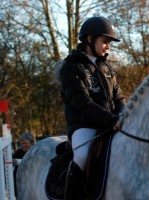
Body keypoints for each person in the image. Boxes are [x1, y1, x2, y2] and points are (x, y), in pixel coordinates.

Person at [56, 16, 125, 199]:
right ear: (89, 39)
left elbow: (118, 97)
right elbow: (82, 102)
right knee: (82, 156)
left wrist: (123, 116)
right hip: (84, 126)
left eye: (109, 42)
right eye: (105, 41)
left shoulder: (107, 68)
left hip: (111, 124)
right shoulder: (71, 68)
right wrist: (110, 119)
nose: (108, 46)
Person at [12, 132, 35, 197]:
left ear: (31, 143)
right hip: (19, 184)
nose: (23, 145)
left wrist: (18, 162)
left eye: (25, 143)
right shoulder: (18, 152)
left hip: (32, 184)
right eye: (22, 143)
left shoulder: (35, 152)